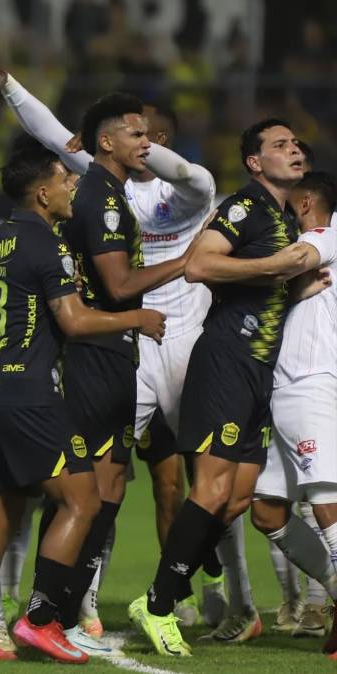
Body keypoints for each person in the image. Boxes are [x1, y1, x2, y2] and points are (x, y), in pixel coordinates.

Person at [0, 68, 238, 635]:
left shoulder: (184, 191)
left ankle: (214, 588)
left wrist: (134, 145)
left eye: (152, 136)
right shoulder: (94, 192)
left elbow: (186, 173)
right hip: (112, 340)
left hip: (170, 340)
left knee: (195, 481)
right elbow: (54, 133)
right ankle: (62, 606)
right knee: (92, 487)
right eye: (137, 134)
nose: (147, 143)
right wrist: (11, 87)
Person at [0, 145, 166, 663]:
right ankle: (41, 620)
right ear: (43, 193)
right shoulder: (47, 243)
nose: (73, 186)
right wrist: (136, 319)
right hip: (31, 394)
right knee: (83, 501)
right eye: (64, 180)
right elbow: (73, 320)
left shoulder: (0, 238)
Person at [129, 118, 311, 657]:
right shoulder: (245, 207)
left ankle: (164, 595)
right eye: (280, 145)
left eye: (296, 143)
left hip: (259, 372)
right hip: (226, 360)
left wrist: (299, 283)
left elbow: (270, 282)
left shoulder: (286, 218)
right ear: (255, 162)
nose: (294, 149)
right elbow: (199, 265)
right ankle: (158, 605)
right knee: (209, 491)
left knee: (234, 502)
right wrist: (276, 266)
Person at [249, 170, 337, 660]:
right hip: (287, 390)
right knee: (266, 511)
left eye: (287, 206)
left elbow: (300, 257)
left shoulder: (323, 236)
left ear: (304, 204)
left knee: (326, 504)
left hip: (309, 386)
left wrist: (241, 267)